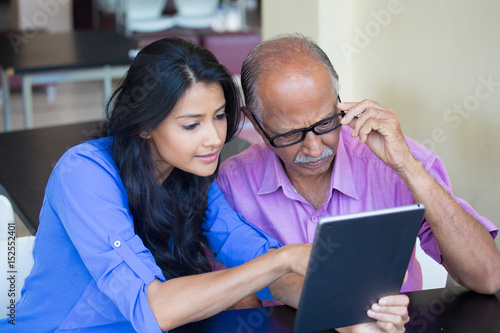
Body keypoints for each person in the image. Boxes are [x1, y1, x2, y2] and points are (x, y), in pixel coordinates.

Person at [0, 38, 409, 332]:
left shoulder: (193, 176)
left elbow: (260, 263)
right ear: (144, 124)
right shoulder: (85, 173)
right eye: (191, 124)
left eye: (218, 116)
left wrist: (354, 312)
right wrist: (282, 258)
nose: (215, 138)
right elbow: (153, 308)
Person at [217, 34, 500, 296]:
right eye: (290, 134)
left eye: (326, 122)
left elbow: (487, 277)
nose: (315, 148)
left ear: (338, 98)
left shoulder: (397, 159)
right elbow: (227, 294)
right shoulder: (233, 183)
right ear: (254, 122)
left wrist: (408, 167)